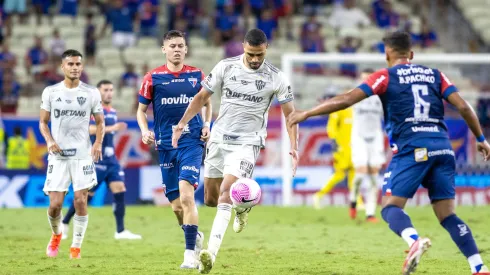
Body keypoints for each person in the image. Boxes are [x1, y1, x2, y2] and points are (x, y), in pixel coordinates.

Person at [287, 31, 490, 275]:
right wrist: (481, 139)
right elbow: (463, 106)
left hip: (413, 148)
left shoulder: (384, 76)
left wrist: (306, 113)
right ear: (411, 54)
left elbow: (347, 99)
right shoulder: (436, 75)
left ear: (387, 54)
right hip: (443, 147)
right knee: (447, 215)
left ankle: (414, 241)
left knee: (391, 208)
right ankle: (478, 266)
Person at [172, 28, 299, 274]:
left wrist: (294, 146)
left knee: (225, 194)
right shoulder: (225, 67)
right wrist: (181, 124)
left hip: (247, 143)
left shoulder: (276, 77)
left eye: (259, 55)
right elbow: (200, 97)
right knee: (210, 198)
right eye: (251, 54)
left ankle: (209, 254)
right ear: (243, 47)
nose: (254, 59)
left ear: (266, 49)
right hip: (219, 139)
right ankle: (243, 206)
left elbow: (290, 115)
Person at [136, 30, 211, 269]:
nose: (177, 49)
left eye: (180, 45)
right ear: (164, 49)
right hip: (166, 145)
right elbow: (140, 111)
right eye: (172, 46)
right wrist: (144, 130)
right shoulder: (152, 78)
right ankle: (194, 235)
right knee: (177, 206)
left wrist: (207, 124)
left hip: (191, 142)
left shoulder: (197, 75)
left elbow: (207, 103)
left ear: (186, 49)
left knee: (187, 196)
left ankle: (189, 255)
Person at [39, 49, 105, 259]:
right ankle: (57, 234)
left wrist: (98, 144)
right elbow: (43, 122)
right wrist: (50, 141)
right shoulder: (51, 92)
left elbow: (100, 122)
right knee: (55, 205)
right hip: (58, 156)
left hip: (82, 156)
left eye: (78, 64)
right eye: (71, 64)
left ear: (82, 67)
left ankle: (75, 247)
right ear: (63, 67)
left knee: (80, 200)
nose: (75, 67)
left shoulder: (91, 92)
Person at [61, 80, 142, 240]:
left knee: (119, 189)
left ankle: (120, 231)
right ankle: (64, 223)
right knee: (85, 196)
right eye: (105, 90)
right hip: (96, 160)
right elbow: (88, 129)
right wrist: (112, 128)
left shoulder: (112, 111)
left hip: (111, 160)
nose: (109, 93)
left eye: (111, 90)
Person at [312, 91, 364, 211]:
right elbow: (331, 127)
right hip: (341, 149)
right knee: (340, 175)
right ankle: (318, 195)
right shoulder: (339, 109)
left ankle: (358, 202)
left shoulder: (353, 110)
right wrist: (335, 143)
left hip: (352, 148)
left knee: (353, 175)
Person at [349, 68, 385, 222]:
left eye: (369, 79)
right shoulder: (354, 95)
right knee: (361, 174)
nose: (366, 82)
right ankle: (353, 201)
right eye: (363, 79)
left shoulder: (381, 97)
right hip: (359, 137)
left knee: (373, 177)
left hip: (375, 137)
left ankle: (370, 213)